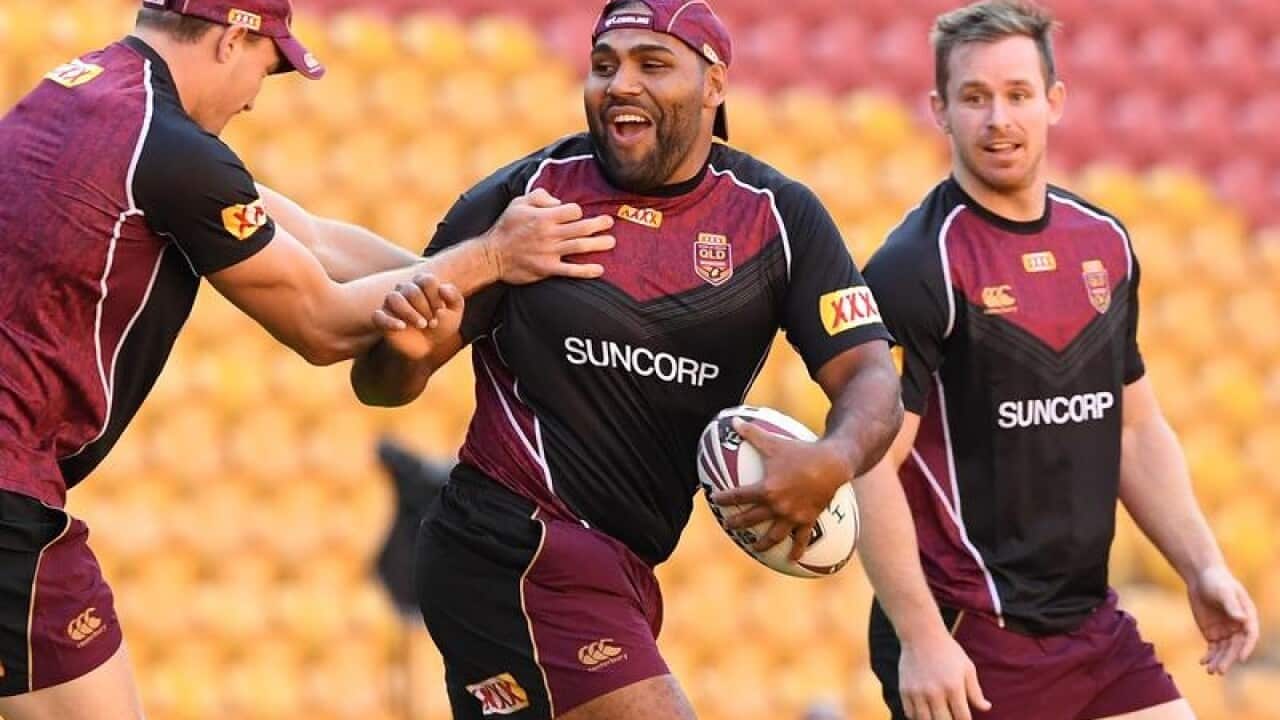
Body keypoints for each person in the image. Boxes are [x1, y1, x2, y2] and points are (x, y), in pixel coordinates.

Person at [354, 1, 982, 718]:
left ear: (715, 85)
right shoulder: (526, 198)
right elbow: (382, 382)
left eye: (653, 64)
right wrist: (403, 355)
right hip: (511, 544)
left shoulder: (777, 219)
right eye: (603, 65)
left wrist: (834, 459)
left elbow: (870, 375)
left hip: (623, 570)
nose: (620, 84)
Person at [0, 1, 614, 717]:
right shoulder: (170, 149)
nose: (259, 96)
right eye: (270, 64)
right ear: (234, 38)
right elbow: (321, 323)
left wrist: (476, 287)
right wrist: (494, 257)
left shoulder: (84, 93)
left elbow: (317, 243)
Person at [860, 2, 1261, 720]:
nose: (998, 120)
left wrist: (1201, 567)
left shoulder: (1103, 242)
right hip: (970, 633)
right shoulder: (916, 265)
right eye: (974, 97)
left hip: (1091, 626)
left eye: (1017, 94)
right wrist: (921, 637)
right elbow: (870, 468)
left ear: (1055, 101)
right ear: (940, 111)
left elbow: (1135, 430)